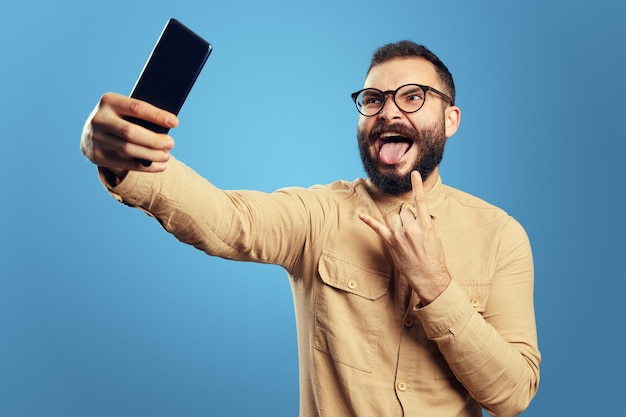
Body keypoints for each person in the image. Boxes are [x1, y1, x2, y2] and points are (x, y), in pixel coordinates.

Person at [81, 40, 540, 417]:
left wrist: (436, 287)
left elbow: (512, 394)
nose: (388, 112)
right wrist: (123, 159)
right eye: (374, 99)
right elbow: (228, 220)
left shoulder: (501, 236)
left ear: (450, 119)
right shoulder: (319, 214)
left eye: (413, 96)